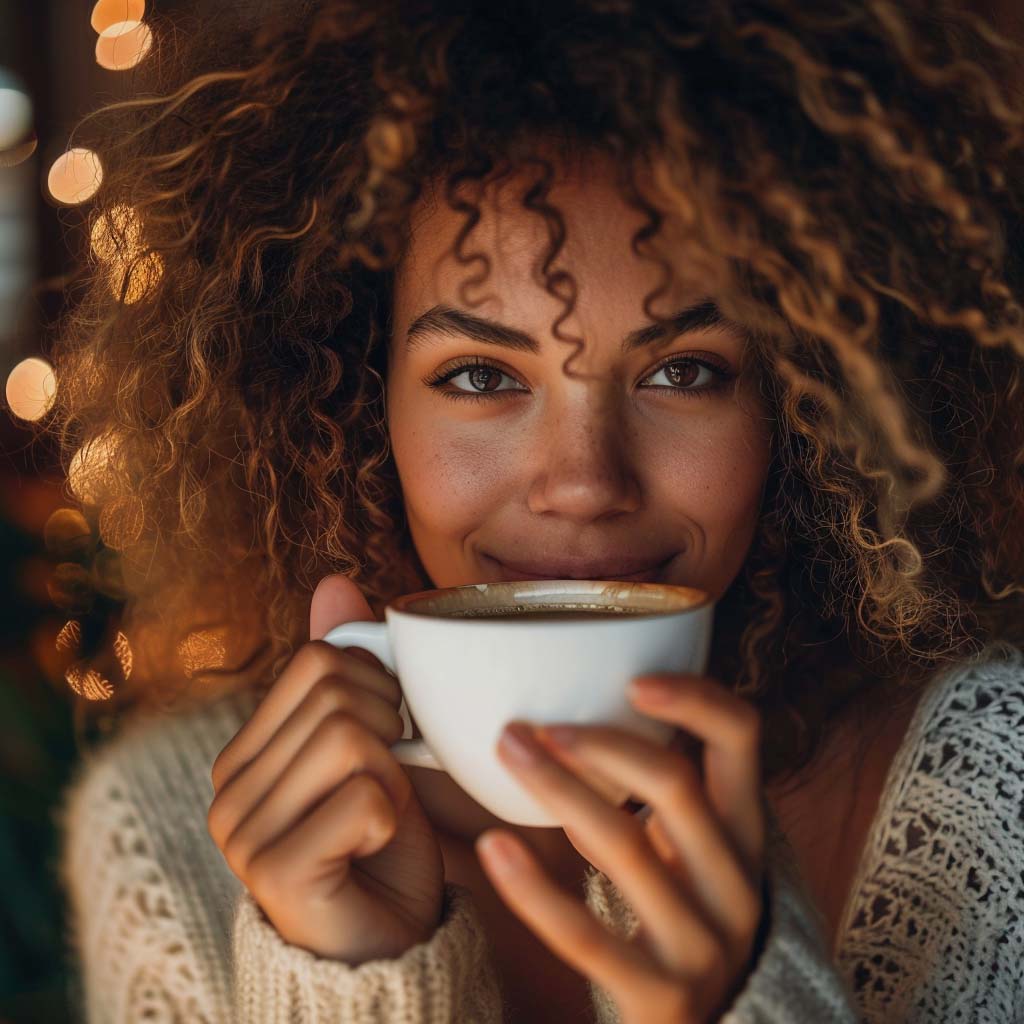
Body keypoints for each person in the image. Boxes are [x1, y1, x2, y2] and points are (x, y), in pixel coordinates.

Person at [49, 1, 1024, 1021]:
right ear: (352, 391)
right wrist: (335, 985)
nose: (583, 482)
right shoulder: (167, 832)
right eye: (478, 375)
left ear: (806, 403)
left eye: (683, 371)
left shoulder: (996, 791)